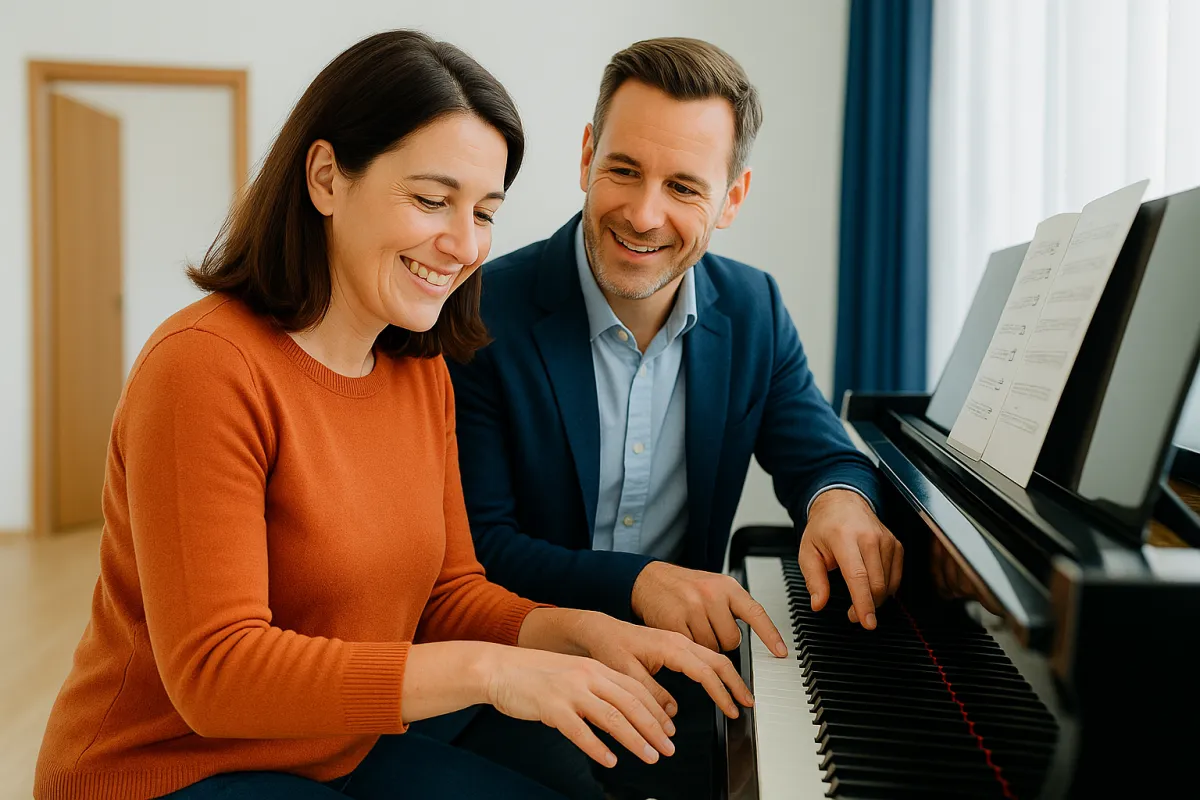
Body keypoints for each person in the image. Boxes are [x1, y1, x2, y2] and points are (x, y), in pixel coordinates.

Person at [32, 31, 753, 800]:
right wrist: (491, 672)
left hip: (330, 749)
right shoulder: (204, 365)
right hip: (163, 771)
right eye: (431, 199)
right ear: (325, 178)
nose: (462, 243)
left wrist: (585, 633)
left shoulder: (417, 368)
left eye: (483, 211)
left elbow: (447, 595)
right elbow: (216, 673)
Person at [443, 38, 904, 799]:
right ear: (587, 154)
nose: (643, 212)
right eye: (623, 169)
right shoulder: (481, 311)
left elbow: (824, 455)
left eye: (685, 186)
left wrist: (841, 504)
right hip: (523, 678)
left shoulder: (754, 309)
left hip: (676, 677)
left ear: (732, 198)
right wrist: (640, 584)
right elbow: (477, 549)